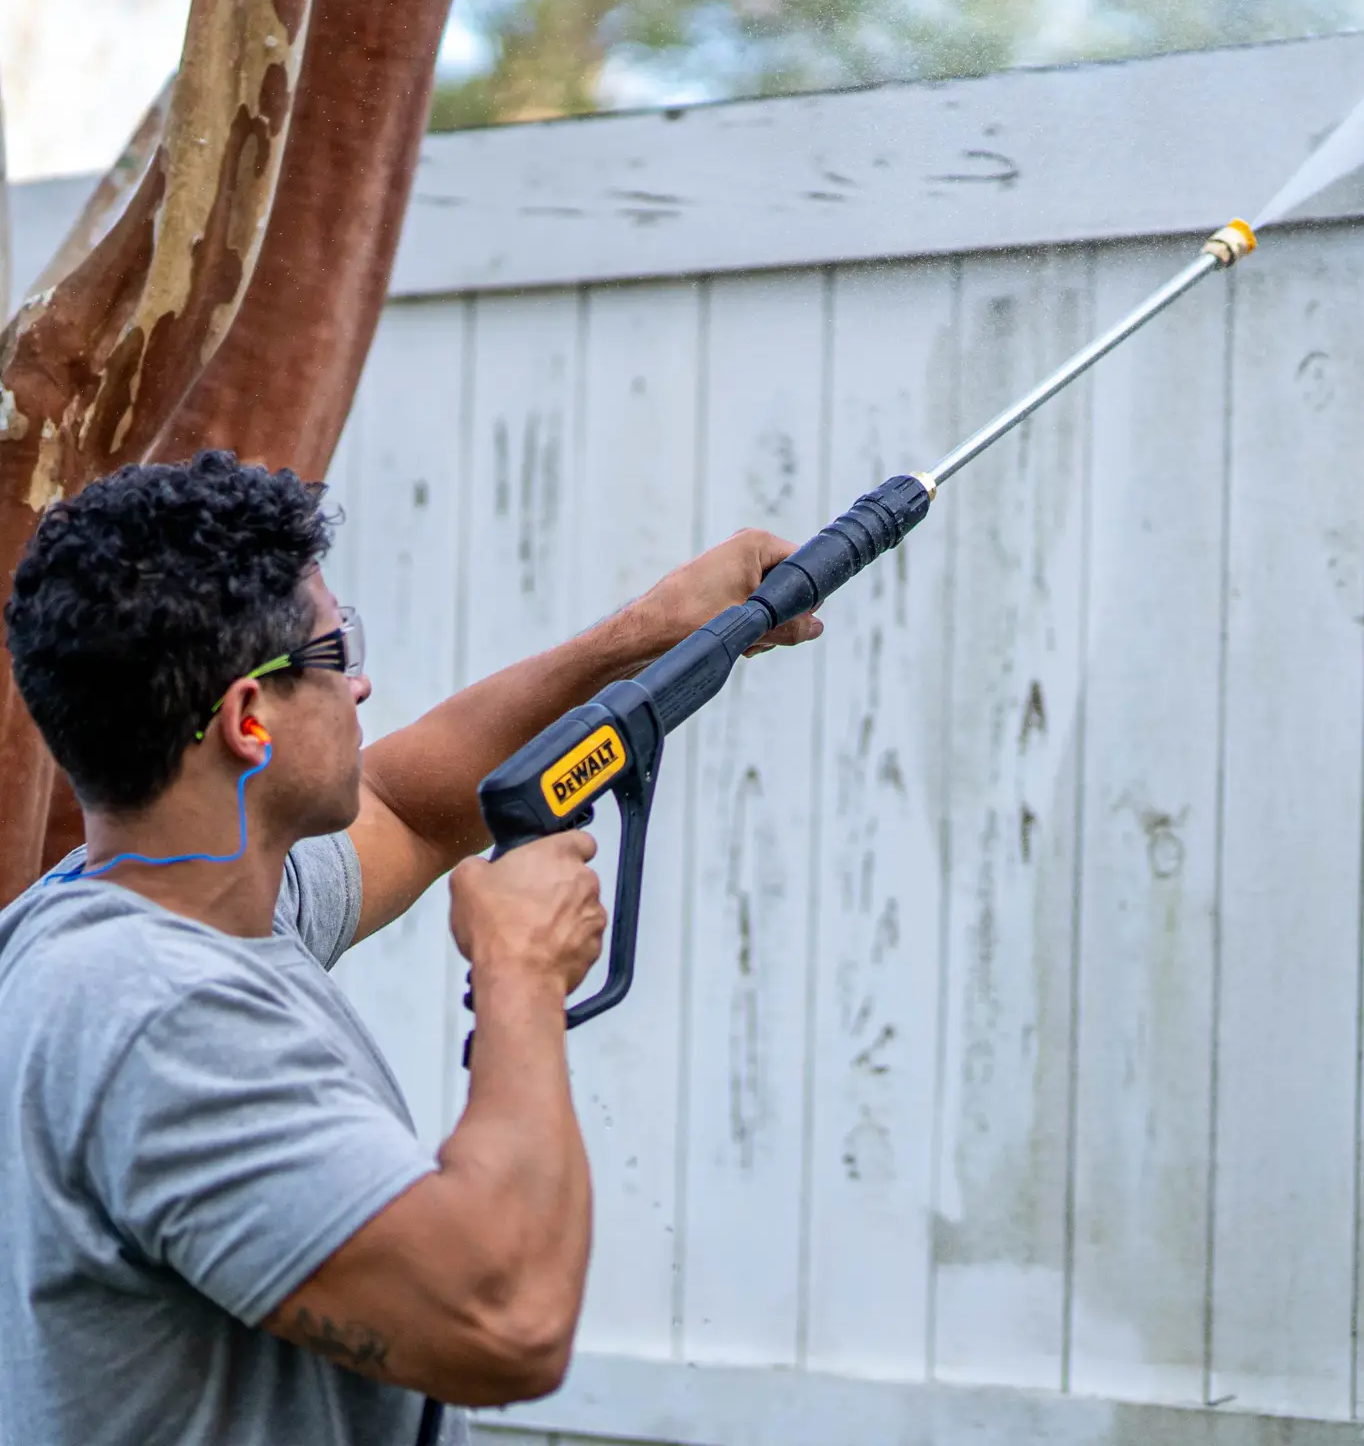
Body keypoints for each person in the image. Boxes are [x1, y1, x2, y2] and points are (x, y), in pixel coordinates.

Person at [0, 451, 819, 1446]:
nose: (364, 684)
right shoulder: (159, 1020)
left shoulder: (151, 908)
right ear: (248, 720)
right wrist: (519, 967)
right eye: (337, 651)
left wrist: (645, 634)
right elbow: (505, 1321)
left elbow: (411, 805)